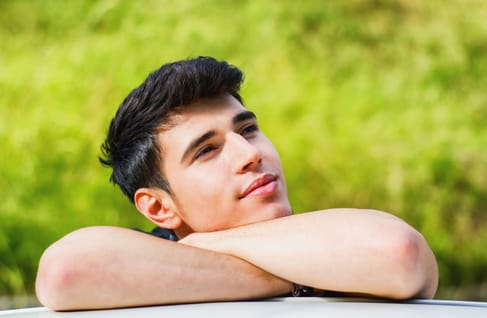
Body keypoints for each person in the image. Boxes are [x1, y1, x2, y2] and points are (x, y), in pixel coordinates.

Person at [35, 56, 439, 311]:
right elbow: (64, 272)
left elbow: (399, 254)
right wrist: (298, 279)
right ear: (159, 208)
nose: (249, 154)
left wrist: (207, 244)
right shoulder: (140, 259)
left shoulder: (331, 239)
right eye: (207, 151)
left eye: (248, 129)